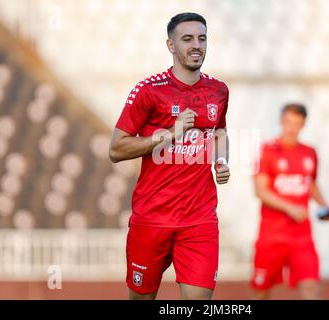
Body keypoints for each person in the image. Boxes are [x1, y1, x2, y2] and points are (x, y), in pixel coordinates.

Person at [109, 12, 230, 300]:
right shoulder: (149, 91)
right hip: (152, 217)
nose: (196, 45)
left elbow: (220, 131)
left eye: (202, 38)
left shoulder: (218, 91)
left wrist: (221, 161)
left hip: (199, 219)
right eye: (187, 39)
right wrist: (168, 134)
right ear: (171, 45)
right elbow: (116, 149)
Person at [251, 103, 329, 300]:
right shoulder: (267, 150)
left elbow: (311, 184)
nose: (291, 128)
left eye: (297, 123)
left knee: (311, 288)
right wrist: (290, 208)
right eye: (288, 122)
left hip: (302, 237)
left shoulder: (310, 153)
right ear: (281, 121)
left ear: (303, 124)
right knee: (261, 292)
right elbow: (260, 191)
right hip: (271, 236)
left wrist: (325, 206)